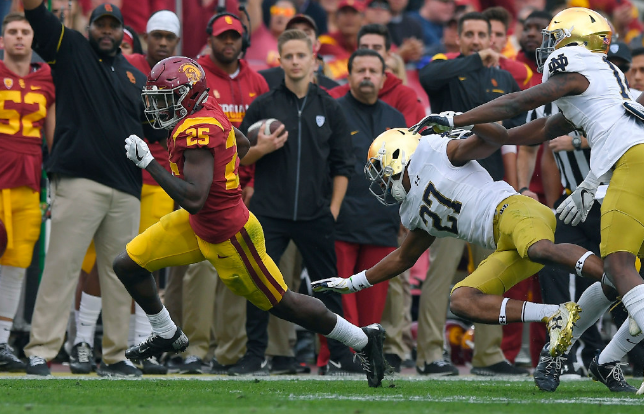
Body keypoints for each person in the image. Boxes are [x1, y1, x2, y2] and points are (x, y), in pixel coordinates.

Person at [113, 55, 387, 388]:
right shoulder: (206, 107)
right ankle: (166, 333)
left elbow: (195, 199)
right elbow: (241, 143)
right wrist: (223, 166)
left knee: (285, 304)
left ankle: (362, 340)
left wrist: (149, 165)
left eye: (166, 99)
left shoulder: (198, 128)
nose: (159, 107)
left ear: (187, 95)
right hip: (200, 223)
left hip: (230, 235)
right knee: (128, 264)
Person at [418, 7, 644, 392]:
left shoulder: (574, 63)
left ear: (574, 41)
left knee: (621, 269)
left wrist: (458, 119)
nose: (548, 46)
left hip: (631, 162)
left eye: (553, 37)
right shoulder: (604, 76)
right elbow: (538, 127)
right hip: (626, 163)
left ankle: (592, 356)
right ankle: (600, 360)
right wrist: (496, 134)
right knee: (616, 277)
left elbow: (517, 103)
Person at [312, 124, 608, 362]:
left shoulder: (438, 152)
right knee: (462, 300)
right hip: (503, 243)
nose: (382, 183)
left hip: (514, 211)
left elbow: (494, 138)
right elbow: (403, 258)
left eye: (382, 171)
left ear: (398, 157)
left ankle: (617, 279)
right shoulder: (413, 209)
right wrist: (352, 283)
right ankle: (555, 314)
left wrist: (462, 120)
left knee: (539, 248)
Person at [20, 1, 165, 377]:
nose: (105, 30)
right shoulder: (71, 49)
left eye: (112, 25)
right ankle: (40, 350)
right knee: (61, 268)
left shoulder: (136, 76)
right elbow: (35, 12)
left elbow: (158, 130)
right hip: (80, 180)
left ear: (122, 33)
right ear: (90, 29)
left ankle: (116, 356)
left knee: (122, 277)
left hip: (127, 188)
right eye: (99, 24)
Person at [237, 29, 358, 376]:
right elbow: (240, 157)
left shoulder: (329, 107)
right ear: (280, 58)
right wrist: (261, 149)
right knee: (258, 284)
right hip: (269, 214)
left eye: (300, 55)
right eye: (287, 56)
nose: (294, 61)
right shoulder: (264, 105)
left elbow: (342, 166)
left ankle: (339, 353)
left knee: (328, 288)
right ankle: (254, 354)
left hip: (315, 214)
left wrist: (331, 210)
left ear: (313, 59)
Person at [69, 9, 182, 376]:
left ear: (177, 42)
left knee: (143, 266)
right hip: (122, 177)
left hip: (159, 179)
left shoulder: (181, 73)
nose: (162, 43)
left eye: (169, 37)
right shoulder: (127, 66)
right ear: (144, 37)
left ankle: (142, 344)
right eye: (157, 36)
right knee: (103, 266)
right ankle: (83, 339)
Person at [417, 11, 525, 377]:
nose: (478, 40)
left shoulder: (505, 77)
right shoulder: (444, 69)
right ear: (459, 38)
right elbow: (426, 76)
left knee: (490, 275)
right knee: (440, 274)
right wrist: (475, 59)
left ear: (495, 37)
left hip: (489, 194)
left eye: (484, 35)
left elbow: (515, 138)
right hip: (446, 190)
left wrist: (519, 186)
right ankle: (431, 354)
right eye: (471, 34)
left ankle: (488, 355)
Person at [319, 49, 406, 369]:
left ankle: (369, 358)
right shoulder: (333, 110)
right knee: (340, 300)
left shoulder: (396, 120)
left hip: (381, 222)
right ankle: (338, 359)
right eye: (360, 70)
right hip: (340, 221)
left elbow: (405, 170)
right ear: (349, 75)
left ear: (384, 78)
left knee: (373, 305)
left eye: (373, 70)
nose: (367, 75)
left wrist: (403, 214)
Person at [0, 12, 55, 373]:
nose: (19, 37)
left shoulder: (47, 78)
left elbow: (53, 137)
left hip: (29, 180)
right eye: (12, 32)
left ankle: (2, 341)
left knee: (18, 262)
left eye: (25, 31)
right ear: (2, 39)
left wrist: (57, 180)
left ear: (33, 38)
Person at [329, 24, 425, 128]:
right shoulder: (335, 95)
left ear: (389, 54)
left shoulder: (404, 95)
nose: (370, 52)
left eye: (377, 47)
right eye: (364, 47)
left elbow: (406, 139)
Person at [259, 14, 339, 90]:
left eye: (306, 33)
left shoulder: (332, 88)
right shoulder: (264, 80)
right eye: (294, 33)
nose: (300, 38)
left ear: (317, 44)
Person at [318, 0, 365, 79]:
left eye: (354, 13)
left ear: (362, 19)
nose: (349, 18)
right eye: (344, 13)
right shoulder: (324, 40)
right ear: (336, 18)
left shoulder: (368, 42)